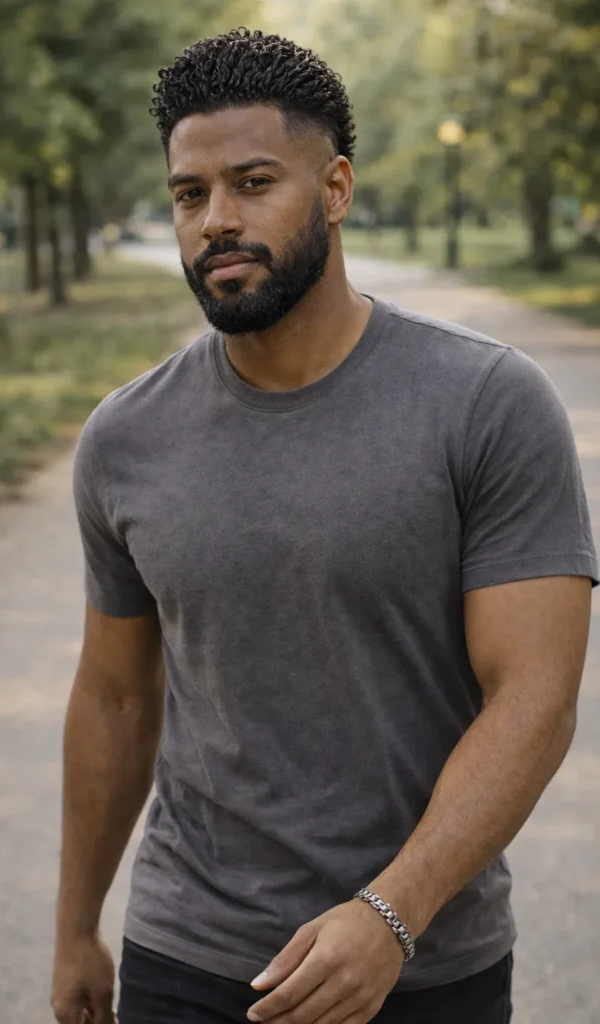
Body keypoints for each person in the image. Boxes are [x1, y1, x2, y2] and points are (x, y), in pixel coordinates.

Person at [51, 28, 598, 1024]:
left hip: (423, 960)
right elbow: (115, 699)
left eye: (253, 182)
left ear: (335, 188)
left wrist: (392, 911)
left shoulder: (484, 404)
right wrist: (75, 924)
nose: (217, 220)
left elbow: (533, 697)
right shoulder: (125, 437)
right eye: (189, 193)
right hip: (188, 951)